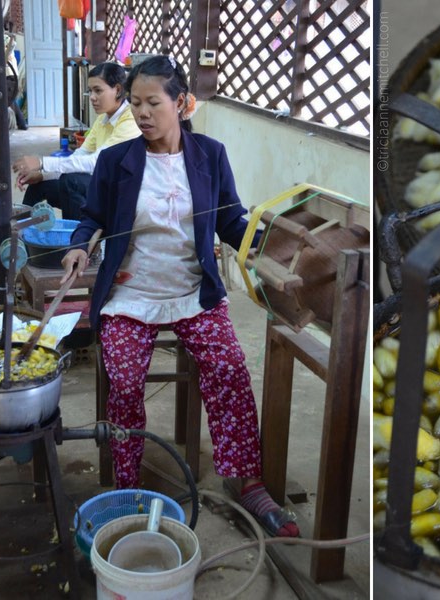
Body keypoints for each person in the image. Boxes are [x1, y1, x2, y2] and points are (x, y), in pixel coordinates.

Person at [61, 55, 299, 537]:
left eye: (153, 102)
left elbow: (232, 221)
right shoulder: (116, 160)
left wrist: (263, 247)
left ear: (183, 103)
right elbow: (92, 218)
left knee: (230, 367)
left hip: (193, 292)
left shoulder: (209, 155)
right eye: (135, 103)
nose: (143, 113)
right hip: (132, 295)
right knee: (124, 379)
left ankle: (245, 479)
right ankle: (128, 486)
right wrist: (77, 247)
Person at [12, 62, 140, 221]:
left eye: (98, 91)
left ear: (118, 90)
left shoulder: (130, 120)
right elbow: (78, 156)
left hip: (120, 195)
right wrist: (43, 175)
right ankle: (20, 234)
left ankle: (79, 242)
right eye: (90, 91)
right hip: (101, 186)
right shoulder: (103, 118)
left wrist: (41, 162)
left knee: (71, 182)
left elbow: (98, 162)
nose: (92, 97)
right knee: (40, 185)